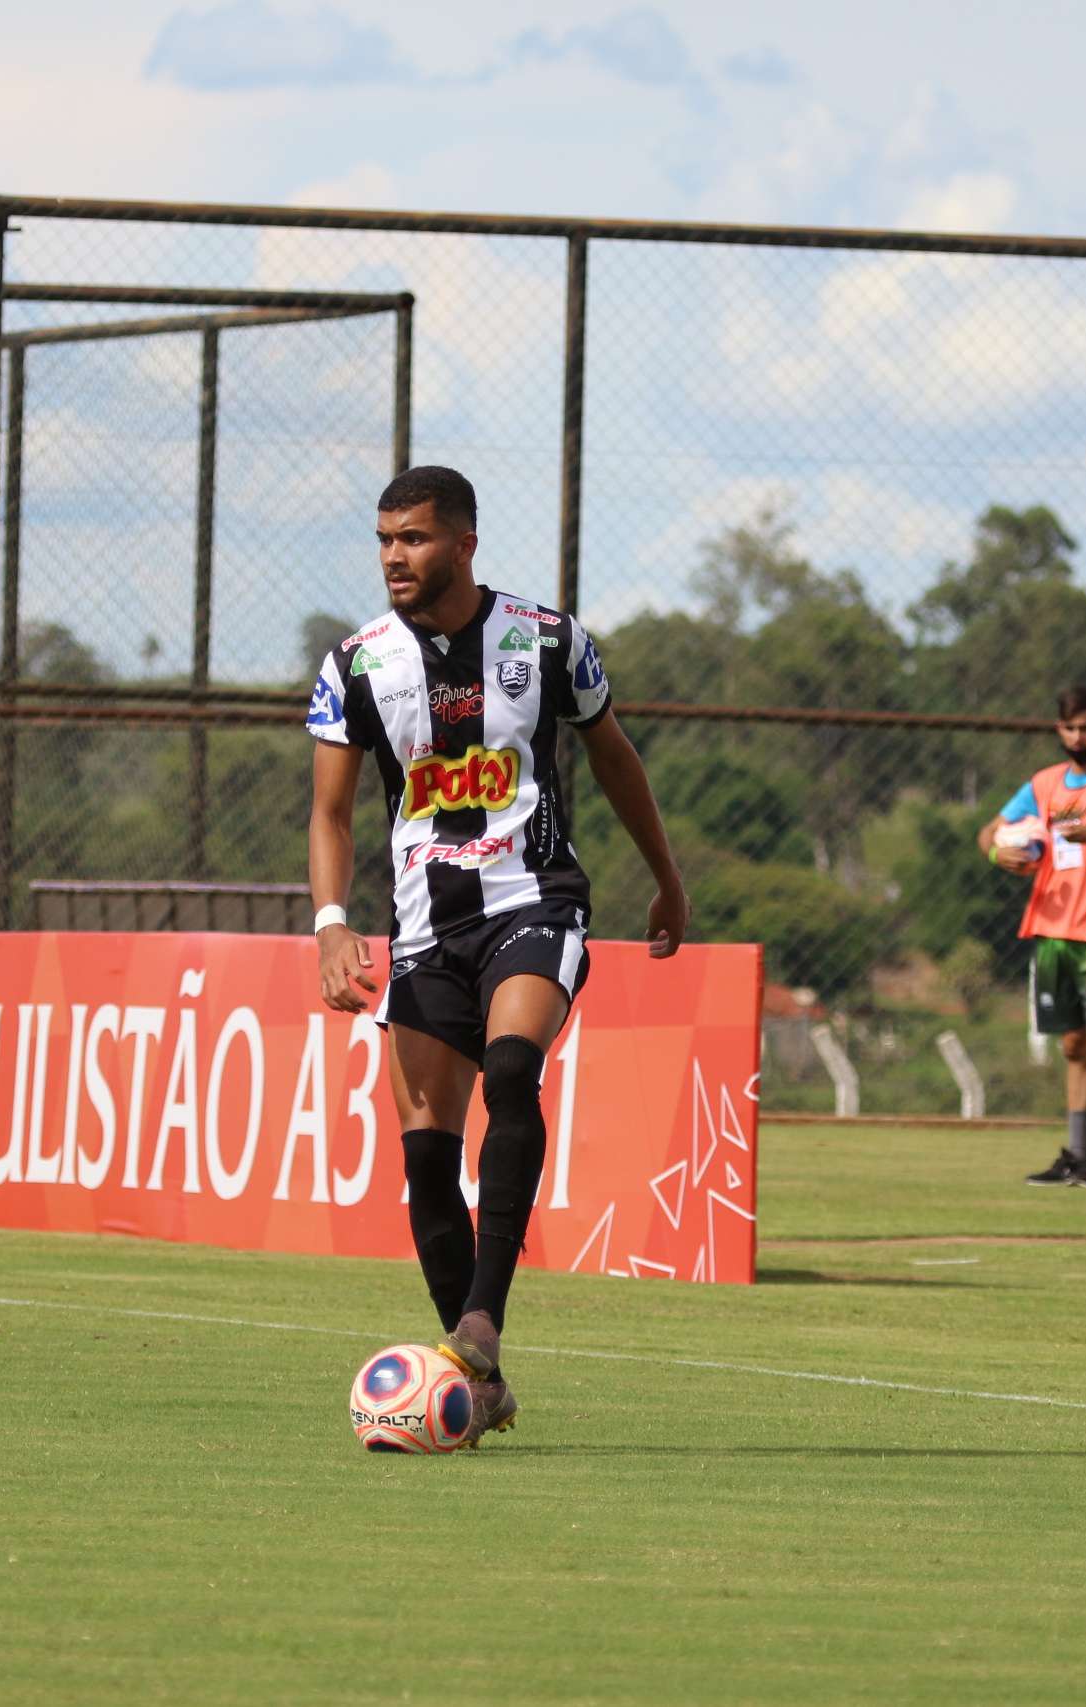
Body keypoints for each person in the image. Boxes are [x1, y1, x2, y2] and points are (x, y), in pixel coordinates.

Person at [305, 465, 689, 1441]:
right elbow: (329, 813)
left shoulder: (548, 641)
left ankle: (480, 1324)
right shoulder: (355, 664)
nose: (396, 555)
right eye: (386, 537)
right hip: (425, 931)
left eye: (416, 537)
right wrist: (329, 920)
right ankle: (478, 1377)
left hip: (534, 902)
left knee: (513, 1072)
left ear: (464, 543)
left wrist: (666, 875)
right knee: (427, 1158)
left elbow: (612, 756)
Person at [976, 685, 1086, 1188]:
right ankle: (1073, 1154)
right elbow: (989, 831)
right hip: (1053, 929)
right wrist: (999, 853)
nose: (1078, 736)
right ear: (1059, 731)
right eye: (1069, 728)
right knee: (1073, 1045)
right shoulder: (1044, 785)